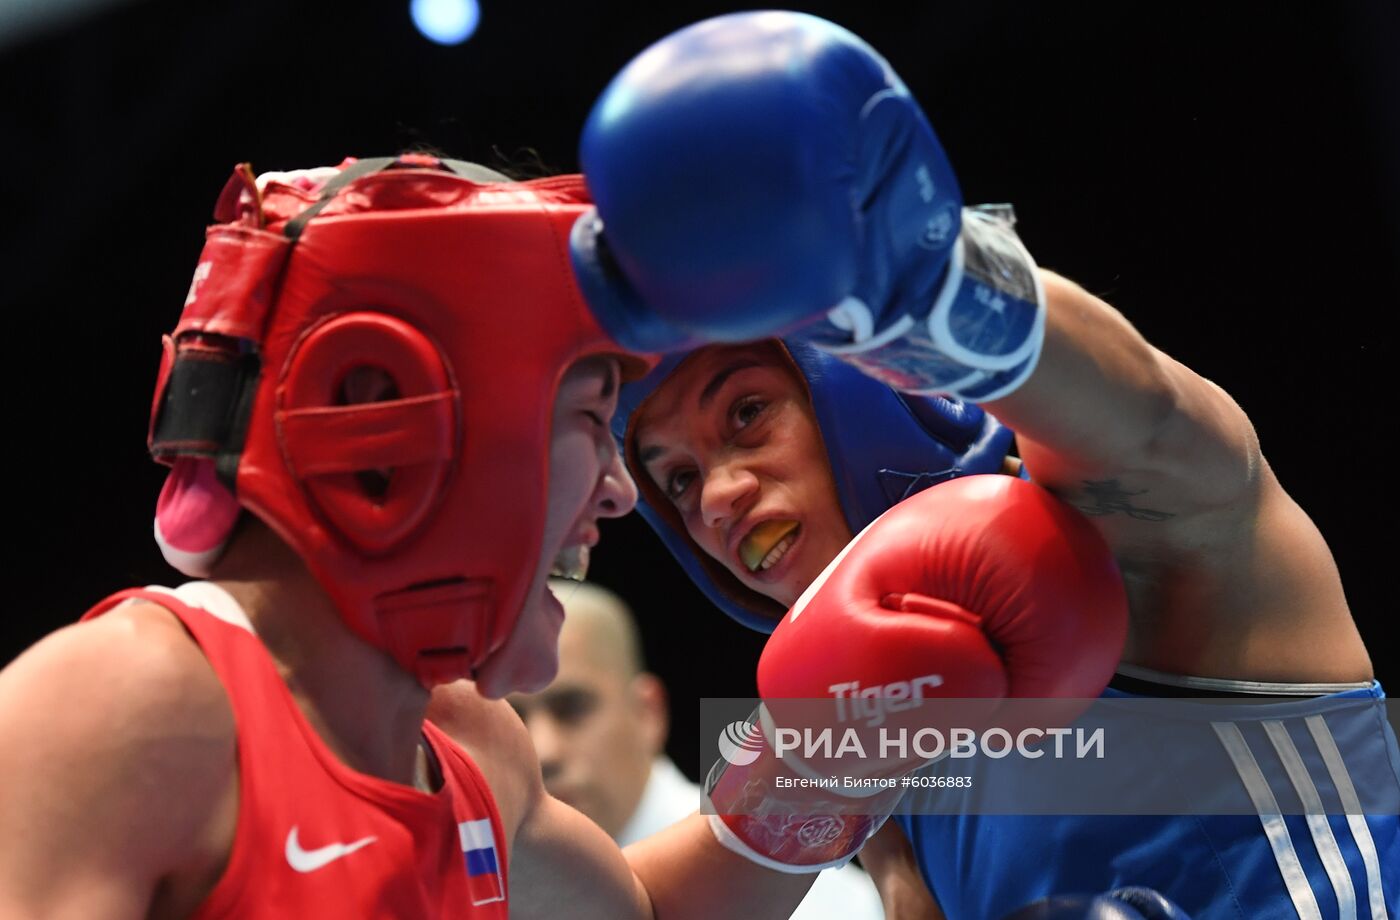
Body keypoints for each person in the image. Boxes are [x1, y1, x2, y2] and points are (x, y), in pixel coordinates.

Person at [566, 11, 1399, 920]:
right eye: (677, 479)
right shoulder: (860, 729)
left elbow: (1156, 420)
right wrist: (450, 751)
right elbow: (642, 909)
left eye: (749, 414)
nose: (718, 495)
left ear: (864, 385)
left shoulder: (1146, 546)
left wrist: (921, 281)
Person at [0, 154, 835, 918]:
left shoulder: (467, 741)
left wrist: (869, 716)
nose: (620, 493)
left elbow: (647, 914)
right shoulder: (125, 705)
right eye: (586, 415)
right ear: (392, 424)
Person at [507, 578, 885, 920]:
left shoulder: (809, 895)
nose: (545, 752)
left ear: (648, 713)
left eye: (573, 709)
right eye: (516, 719)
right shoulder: (489, 882)